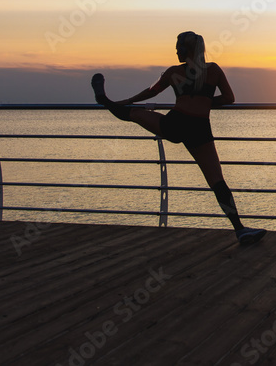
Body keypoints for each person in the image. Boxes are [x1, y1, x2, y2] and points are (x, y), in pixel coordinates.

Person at [90, 31, 266, 245]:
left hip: (176, 124)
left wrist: (127, 100)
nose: (175, 50)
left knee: (134, 114)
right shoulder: (214, 70)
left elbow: (151, 92)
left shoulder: (174, 72)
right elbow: (229, 98)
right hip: (200, 129)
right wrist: (205, 101)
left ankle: (105, 100)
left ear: (185, 49)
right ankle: (239, 230)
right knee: (217, 183)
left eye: (177, 46)